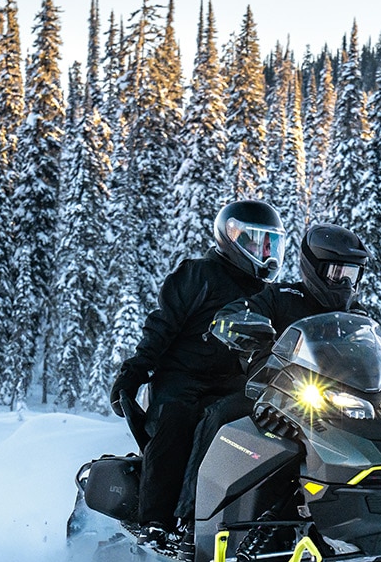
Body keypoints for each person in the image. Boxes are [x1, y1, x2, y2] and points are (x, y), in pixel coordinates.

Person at [173, 223, 374, 524]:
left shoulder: (355, 316)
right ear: (315, 269)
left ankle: (374, 509)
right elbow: (231, 316)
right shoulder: (281, 296)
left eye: (351, 275)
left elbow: (378, 354)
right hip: (272, 396)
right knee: (221, 416)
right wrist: (243, 326)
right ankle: (188, 513)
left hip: (329, 405)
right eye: (337, 273)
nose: (344, 284)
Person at [110, 199, 286, 534]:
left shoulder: (268, 294)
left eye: (270, 243)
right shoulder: (198, 274)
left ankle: (253, 520)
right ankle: (158, 521)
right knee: (176, 421)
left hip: (235, 382)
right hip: (182, 378)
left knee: (263, 429)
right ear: (230, 238)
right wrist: (134, 373)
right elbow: (162, 325)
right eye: (255, 241)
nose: (264, 252)